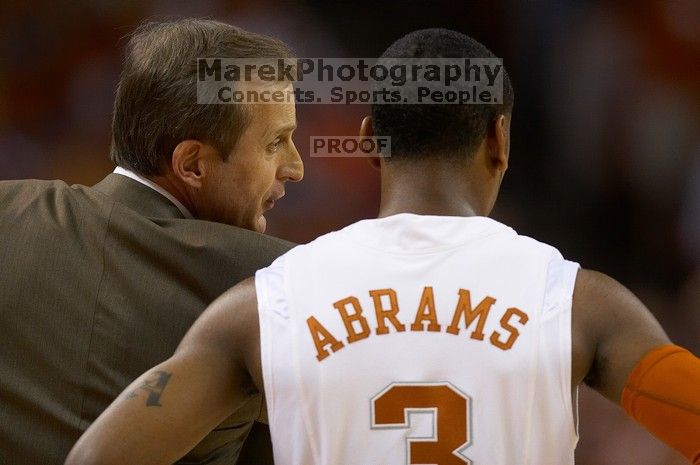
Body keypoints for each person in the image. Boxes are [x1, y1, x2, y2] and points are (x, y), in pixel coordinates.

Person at [65, 29, 700, 465]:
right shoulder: (580, 305)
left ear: (369, 139)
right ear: (499, 139)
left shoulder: (261, 309)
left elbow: (96, 458)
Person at [0, 19, 302, 465]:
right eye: (276, 142)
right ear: (192, 164)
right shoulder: (280, 281)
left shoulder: (8, 209)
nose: (295, 167)